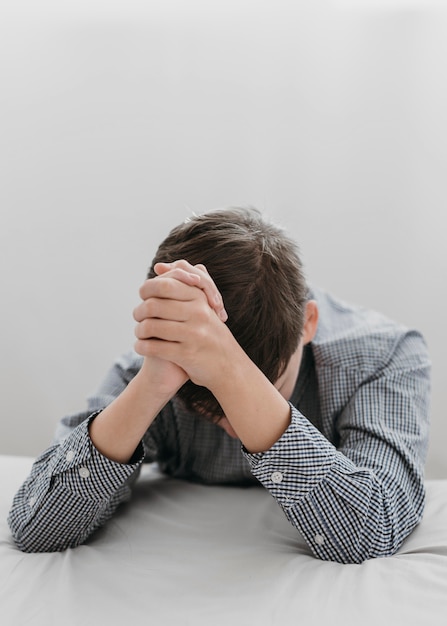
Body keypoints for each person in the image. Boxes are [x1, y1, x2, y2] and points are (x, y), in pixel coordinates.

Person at [8, 207, 431, 563]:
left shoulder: (384, 357)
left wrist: (232, 373)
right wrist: (150, 387)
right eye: (209, 410)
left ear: (309, 323)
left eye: (264, 385)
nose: (233, 425)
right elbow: (36, 528)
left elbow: (373, 527)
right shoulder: (158, 365)